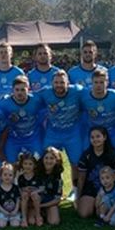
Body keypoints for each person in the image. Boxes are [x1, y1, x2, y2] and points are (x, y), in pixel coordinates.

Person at [38, 70, 84, 199]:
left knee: (76, 163)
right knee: (45, 160)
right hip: (53, 133)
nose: (59, 85)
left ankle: (75, 191)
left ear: (68, 83)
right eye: (56, 82)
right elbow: (30, 98)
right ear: (52, 83)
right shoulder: (45, 93)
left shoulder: (77, 91)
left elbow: (91, 94)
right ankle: (47, 189)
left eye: (62, 82)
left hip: (72, 134)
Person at [75, 126, 115, 219]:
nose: (95, 139)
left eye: (98, 136)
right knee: (84, 214)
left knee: (102, 212)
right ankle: (94, 205)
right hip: (90, 189)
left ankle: (101, 207)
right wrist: (78, 197)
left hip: (108, 189)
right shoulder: (86, 155)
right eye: (92, 137)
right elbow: (81, 178)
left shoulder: (112, 154)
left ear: (105, 137)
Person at [0, 76, 43, 163]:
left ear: (28, 89)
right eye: (17, 90)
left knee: (38, 160)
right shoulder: (4, 104)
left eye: (23, 90)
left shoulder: (36, 100)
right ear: (12, 90)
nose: (19, 93)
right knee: (11, 163)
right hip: (13, 138)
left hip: (33, 138)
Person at [81, 68, 115, 151]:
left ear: (107, 83)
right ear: (91, 82)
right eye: (96, 82)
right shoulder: (84, 97)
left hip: (113, 131)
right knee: (85, 153)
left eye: (101, 82)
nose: (98, 85)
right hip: (93, 132)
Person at [33, 146, 64, 226]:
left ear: (57, 161)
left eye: (52, 158)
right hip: (36, 200)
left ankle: (45, 212)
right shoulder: (37, 171)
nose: (48, 161)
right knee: (31, 221)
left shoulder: (58, 177)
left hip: (49, 202)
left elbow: (57, 199)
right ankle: (38, 214)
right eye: (46, 158)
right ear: (42, 159)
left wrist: (41, 206)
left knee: (54, 222)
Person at [15, 152, 41, 228]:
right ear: (22, 164)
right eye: (25, 164)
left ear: (34, 165)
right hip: (25, 199)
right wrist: (17, 178)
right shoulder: (21, 177)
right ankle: (24, 218)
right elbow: (16, 188)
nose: (27, 166)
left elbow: (42, 188)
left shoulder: (37, 176)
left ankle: (38, 216)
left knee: (35, 195)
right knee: (24, 194)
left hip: (35, 199)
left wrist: (35, 191)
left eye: (30, 164)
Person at [0, 163, 22, 228]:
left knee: (15, 225)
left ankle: (14, 219)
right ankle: (0, 219)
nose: (7, 177)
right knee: (1, 225)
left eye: (10, 175)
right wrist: (4, 211)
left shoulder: (15, 188)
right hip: (2, 212)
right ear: (1, 176)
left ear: (14, 177)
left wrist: (15, 210)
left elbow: (18, 200)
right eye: (5, 174)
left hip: (14, 212)